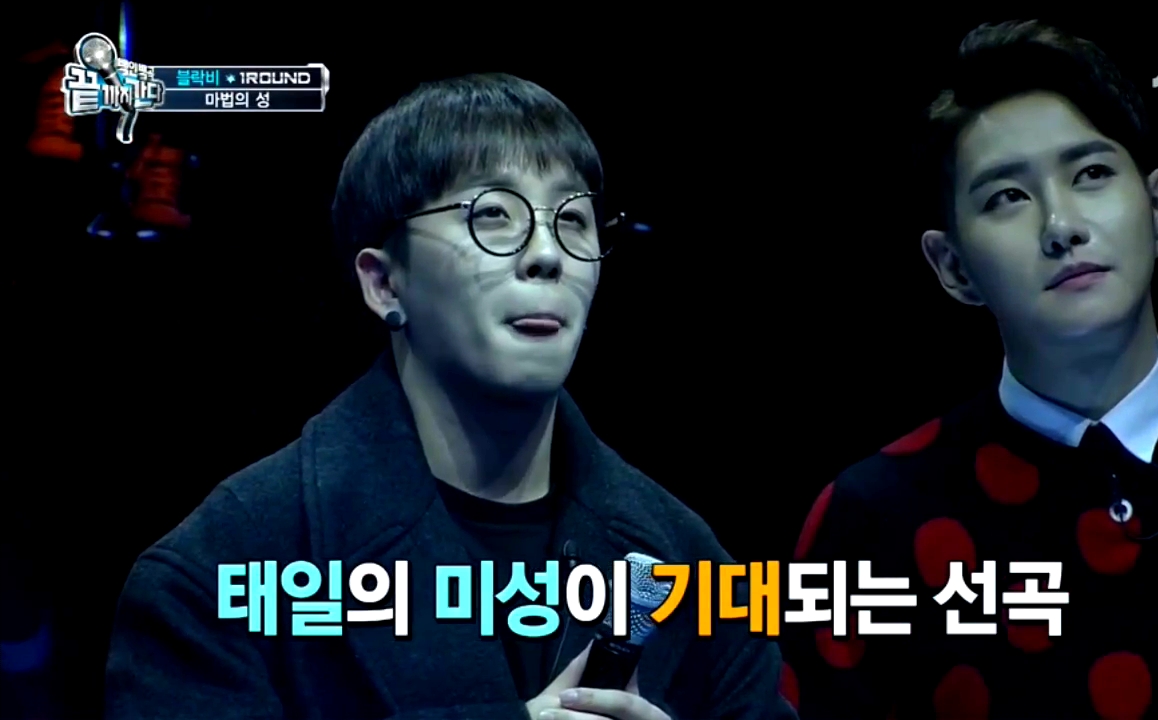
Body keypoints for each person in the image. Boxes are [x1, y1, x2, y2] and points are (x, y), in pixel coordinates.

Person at [105, 73, 796, 720]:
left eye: (573, 220)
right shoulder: (220, 573)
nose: (547, 254)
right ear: (384, 283)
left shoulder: (691, 566)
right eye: (493, 214)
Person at [782, 21, 1158, 720]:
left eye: (1091, 174)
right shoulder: (873, 520)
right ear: (952, 267)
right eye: (1007, 197)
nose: (1060, 225)